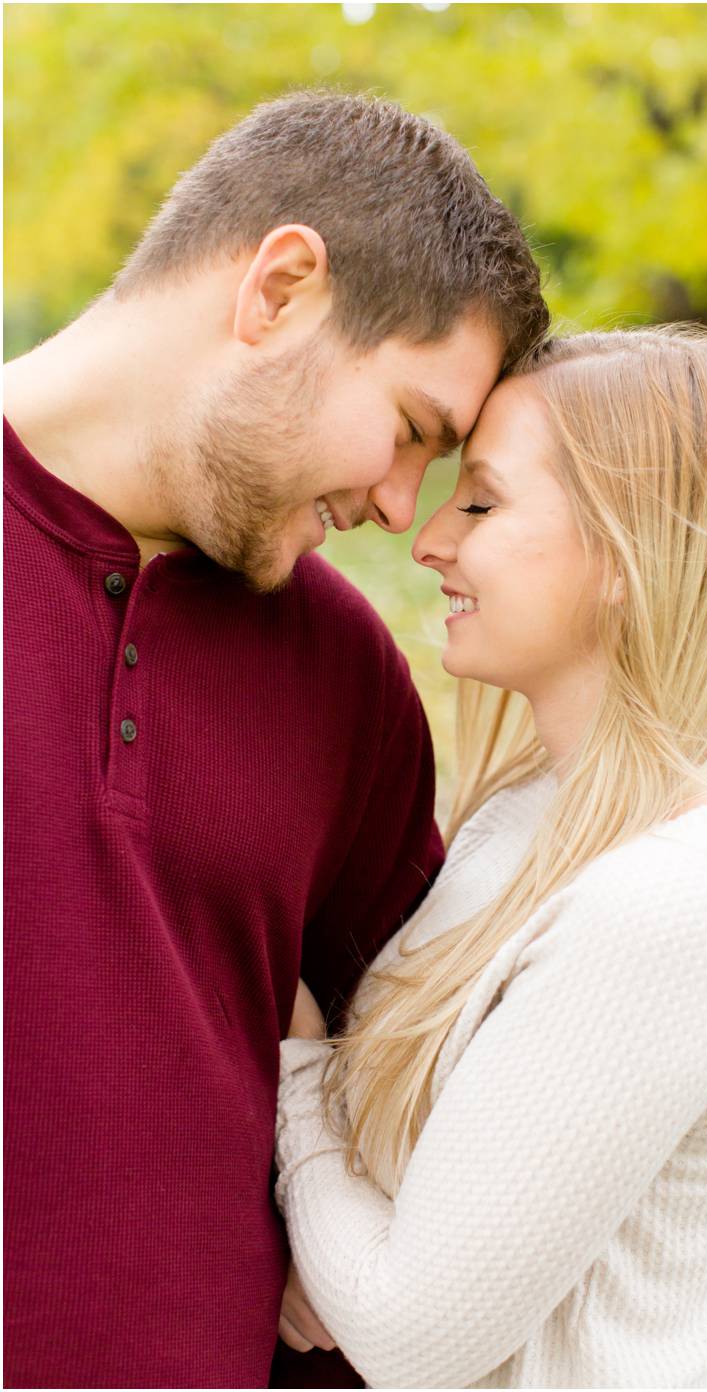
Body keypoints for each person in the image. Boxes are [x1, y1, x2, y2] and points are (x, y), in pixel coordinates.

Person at [3, 92, 549, 1388]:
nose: (399, 505)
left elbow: (412, 1099)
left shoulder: (341, 675)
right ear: (282, 289)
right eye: (413, 427)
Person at [269, 326, 707, 1389]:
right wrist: (338, 1245)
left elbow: (405, 1332)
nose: (428, 537)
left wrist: (297, 1082)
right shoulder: (538, 809)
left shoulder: (681, 897)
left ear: (627, 557)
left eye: (480, 502)